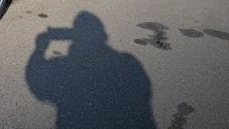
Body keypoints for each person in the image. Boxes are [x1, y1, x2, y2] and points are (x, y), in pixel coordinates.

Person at [26, 11, 156, 129]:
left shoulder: (61, 65)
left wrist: (40, 48)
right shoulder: (129, 61)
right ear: (103, 35)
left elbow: (38, 86)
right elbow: (144, 91)